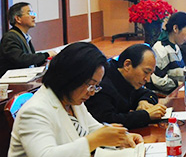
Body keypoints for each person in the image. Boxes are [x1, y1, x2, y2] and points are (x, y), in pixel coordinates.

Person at [8, 42, 142, 157]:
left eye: (96, 86)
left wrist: (120, 137)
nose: (92, 92)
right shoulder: (35, 111)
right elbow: (45, 154)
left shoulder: (72, 100)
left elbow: (93, 128)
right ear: (70, 77)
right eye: (90, 85)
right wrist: (92, 141)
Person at [85, 43, 167, 129]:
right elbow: (108, 121)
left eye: (151, 74)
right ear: (127, 65)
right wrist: (145, 115)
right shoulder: (102, 84)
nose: (148, 79)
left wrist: (144, 101)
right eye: (146, 72)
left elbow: (148, 93)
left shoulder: (128, 78)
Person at [0, 2, 57, 76]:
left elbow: (31, 61)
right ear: (18, 19)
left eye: (33, 13)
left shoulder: (24, 36)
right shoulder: (10, 37)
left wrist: (45, 59)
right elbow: (21, 59)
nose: (33, 17)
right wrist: (46, 54)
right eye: (29, 13)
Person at [149, 11, 186, 94]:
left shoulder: (176, 47)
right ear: (175, 28)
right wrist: (177, 84)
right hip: (165, 95)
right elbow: (157, 80)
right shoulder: (160, 48)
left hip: (178, 91)